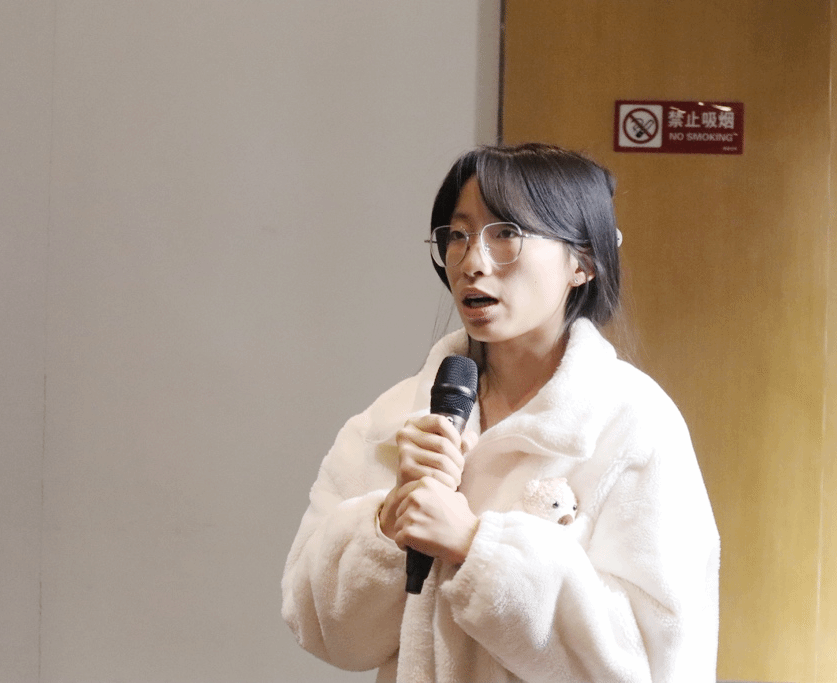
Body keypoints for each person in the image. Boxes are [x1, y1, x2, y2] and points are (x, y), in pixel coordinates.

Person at [281, 143, 720, 682]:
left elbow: (659, 662)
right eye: (458, 235)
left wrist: (476, 548)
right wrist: (386, 525)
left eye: (506, 233)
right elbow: (320, 631)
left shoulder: (633, 424)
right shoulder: (393, 420)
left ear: (582, 261)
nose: (472, 262)